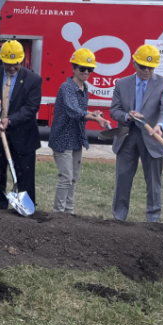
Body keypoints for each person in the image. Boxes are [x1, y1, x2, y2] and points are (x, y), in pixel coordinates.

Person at [110, 44, 163, 222]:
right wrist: (126, 116)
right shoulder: (122, 84)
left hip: (152, 137)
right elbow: (114, 110)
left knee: (153, 181)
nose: (147, 70)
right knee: (123, 179)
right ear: (134, 63)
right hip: (127, 136)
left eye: (151, 67)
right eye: (143, 66)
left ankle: (153, 221)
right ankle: (119, 218)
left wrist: (160, 126)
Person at [0, 40, 42, 209]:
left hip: (23, 137)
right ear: (2, 60)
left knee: (24, 179)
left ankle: (24, 211)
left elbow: (31, 108)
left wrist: (10, 120)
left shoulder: (33, 80)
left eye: (17, 64)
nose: (13, 68)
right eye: (9, 64)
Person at [48, 48, 111, 214]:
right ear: (74, 68)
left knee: (73, 178)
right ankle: (59, 214)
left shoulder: (84, 88)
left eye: (90, 69)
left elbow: (81, 110)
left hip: (76, 138)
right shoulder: (66, 87)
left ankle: (68, 212)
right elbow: (73, 110)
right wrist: (95, 118)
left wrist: (94, 114)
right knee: (66, 178)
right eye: (83, 68)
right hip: (62, 139)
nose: (87, 72)